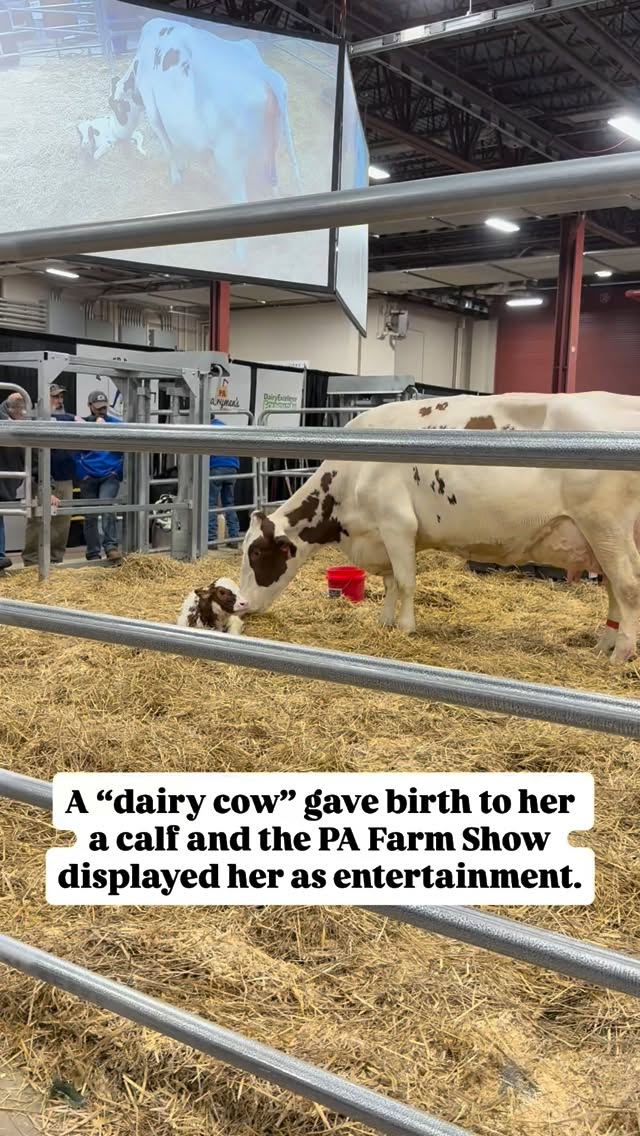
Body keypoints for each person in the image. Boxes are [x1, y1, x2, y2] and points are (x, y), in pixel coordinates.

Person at [22, 383, 78, 567]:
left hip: (65, 478)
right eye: (54, 397)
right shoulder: (37, 421)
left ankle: (55, 561)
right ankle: (32, 562)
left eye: (60, 397)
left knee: (62, 522)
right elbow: (35, 458)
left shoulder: (65, 421)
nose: (59, 400)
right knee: (38, 519)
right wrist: (45, 486)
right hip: (43, 477)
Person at [75, 390, 124, 562]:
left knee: (106, 506)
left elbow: (127, 450)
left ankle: (111, 547)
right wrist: (82, 473)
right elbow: (73, 450)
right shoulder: (81, 425)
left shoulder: (117, 425)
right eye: (97, 408)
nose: (101, 410)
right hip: (89, 475)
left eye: (103, 407)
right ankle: (93, 552)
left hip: (108, 475)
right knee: (90, 515)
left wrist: (117, 472)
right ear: (90, 407)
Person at [0, 391, 27, 569]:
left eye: (23, 409)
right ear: (10, 408)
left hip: (6, 480)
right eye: (18, 409)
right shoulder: (6, 422)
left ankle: (0, 556)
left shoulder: (21, 424)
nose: (22, 412)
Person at [209, 415, 240, 548]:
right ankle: (234, 538)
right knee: (229, 503)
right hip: (232, 467)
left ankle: (211, 540)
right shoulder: (225, 427)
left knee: (211, 504)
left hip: (216, 467)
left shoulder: (207, 428)